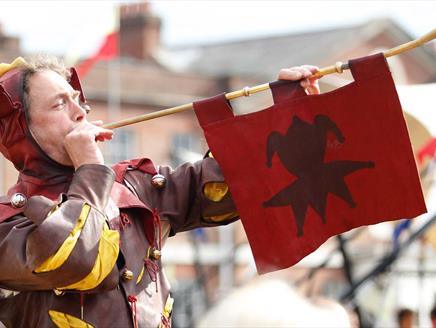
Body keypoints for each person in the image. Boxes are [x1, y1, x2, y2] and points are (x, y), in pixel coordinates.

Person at [0, 55, 320, 327]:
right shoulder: (8, 222)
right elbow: (80, 260)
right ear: (22, 130)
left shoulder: (134, 184)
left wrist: (286, 114)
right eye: (59, 104)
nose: (80, 112)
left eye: (76, 99)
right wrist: (92, 169)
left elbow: (236, 184)